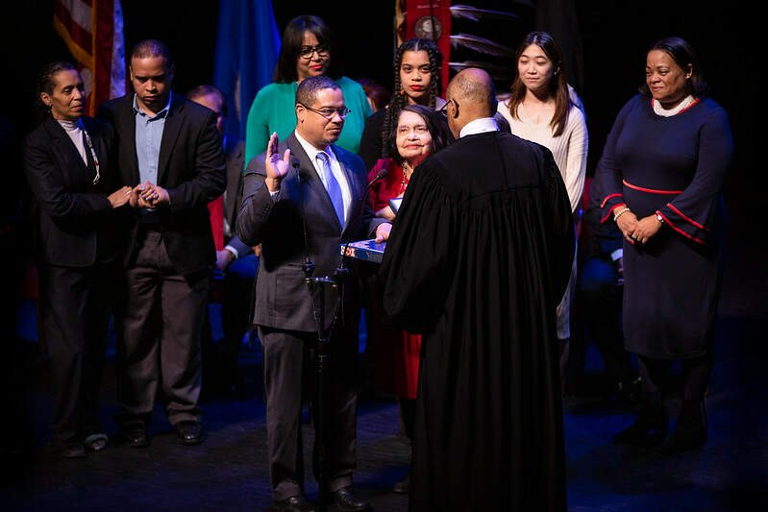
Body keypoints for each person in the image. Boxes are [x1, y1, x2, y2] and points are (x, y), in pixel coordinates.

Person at [380, 68, 574, 511]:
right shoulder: (537, 160)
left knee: (465, 448)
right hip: (527, 339)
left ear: (450, 109)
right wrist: (533, 302)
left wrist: (410, 312)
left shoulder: (440, 174)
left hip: (461, 342)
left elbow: (414, 269)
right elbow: (562, 246)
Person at [237, 76, 388, 512]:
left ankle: (339, 480)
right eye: (329, 111)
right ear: (301, 112)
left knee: (340, 400)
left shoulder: (352, 164)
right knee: (285, 406)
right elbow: (248, 228)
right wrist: (272, 185)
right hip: (287, 303)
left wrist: (374, 228)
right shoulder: (268, 161)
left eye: (343, 111)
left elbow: (350, 227)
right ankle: (287, 488)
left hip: (338, 299)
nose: (339, 118)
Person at [593, 36, 733, 453]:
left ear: (688, 71)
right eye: (649, 71)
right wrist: (621, 213)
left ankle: (691, 417)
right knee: (642, 323)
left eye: (664, 71)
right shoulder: (633, 109)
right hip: (636, 235)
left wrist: (661, 219)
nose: (654, 78)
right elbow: (607, 163)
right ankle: (650, 414)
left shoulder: (710, 118)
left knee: (688, 326)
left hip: (687, 242)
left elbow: (708, 183)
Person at [98, 40, 226, 448]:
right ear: (131, 76)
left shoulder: (198, 118)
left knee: (183, 335)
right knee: (134, 333)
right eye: (141, 79)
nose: (149, 87)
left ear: (171, 73)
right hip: (133, 240)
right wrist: (124, 195)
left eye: (157, 78)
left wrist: (171, 196)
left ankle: (184, 412)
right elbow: (98, 176)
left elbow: (213, 180)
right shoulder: (111, 115)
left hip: (182, 241)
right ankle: (135, 415)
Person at [24, 62, 132, 457]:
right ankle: (66, 432)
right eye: (67, 90)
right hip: (65, 260)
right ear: (47, 97)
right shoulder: (38, 143)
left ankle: (88, 424)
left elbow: (115, 180)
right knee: (69, 350)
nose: (77, 96)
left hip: (102, 257)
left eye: (79, 88)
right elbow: (56, 204)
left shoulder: (99, 131)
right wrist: (107, 203)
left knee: (93, 344)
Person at [366, 104, 449, 493]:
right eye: (404, 130)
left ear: (435, 134)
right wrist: (381, 222)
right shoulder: (383, 173)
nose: (411, 137)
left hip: (435, 297)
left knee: (435, 383)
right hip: (394, 294)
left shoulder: (447, 173)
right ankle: (419, 463)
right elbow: (368, 216)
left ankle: (444, 466)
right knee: (406, 385)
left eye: (420, 129)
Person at [498, 31, 588, 380]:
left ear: (555, 67)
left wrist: (547, 229)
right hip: (508, 232)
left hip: (552, 236)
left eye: (540, 61)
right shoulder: (503, 111)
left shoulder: (571, 116)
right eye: (524, 61)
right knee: (513, 318)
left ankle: (551, 399)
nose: (531, 69)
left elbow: (574, 183)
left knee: (555, 322)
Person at [187, 84, 258, 395]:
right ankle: (202, 367)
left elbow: (254, 217)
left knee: (245, 277)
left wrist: (229, 253)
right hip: (191, 250)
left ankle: (229, 357)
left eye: (214, 115)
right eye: (200, 115)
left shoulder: (243, 155)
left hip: (236, 251)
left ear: (224, 118)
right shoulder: (178, 158)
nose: (208, 122)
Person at [244, 15, 371, 164]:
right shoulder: (268, 97)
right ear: (292, 54)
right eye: (306, 51)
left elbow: (373, 151)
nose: (316, 57)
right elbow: (252, 166)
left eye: (322, 49)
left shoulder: (354, 91)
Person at [359, 38, 444, 171]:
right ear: (399, 72)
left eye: (424, 69)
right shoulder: (380, 122)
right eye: (408, 69)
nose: (416, 77)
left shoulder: (448, 117)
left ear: (436, 72)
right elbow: (368, 175)